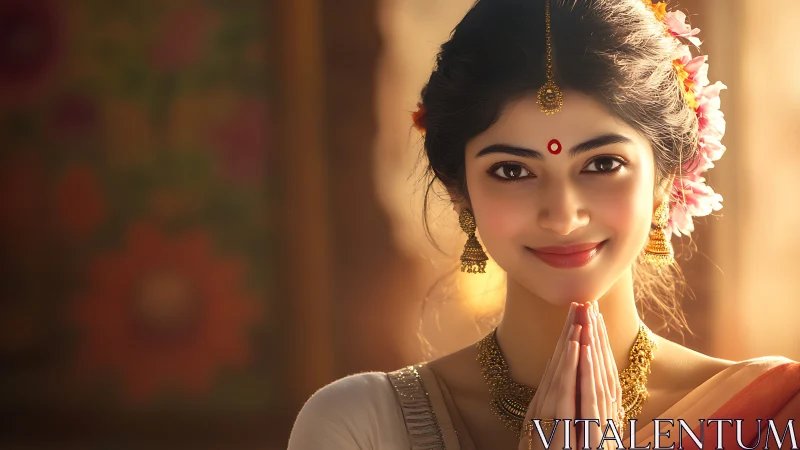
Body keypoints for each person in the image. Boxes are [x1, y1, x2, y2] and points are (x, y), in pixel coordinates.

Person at [287, 0, 800, 449]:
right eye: (512, 171)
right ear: (459, 191)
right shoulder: (359, 426)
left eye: (602, 164)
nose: (562, 216)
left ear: (666, 178)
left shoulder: (778, 415)